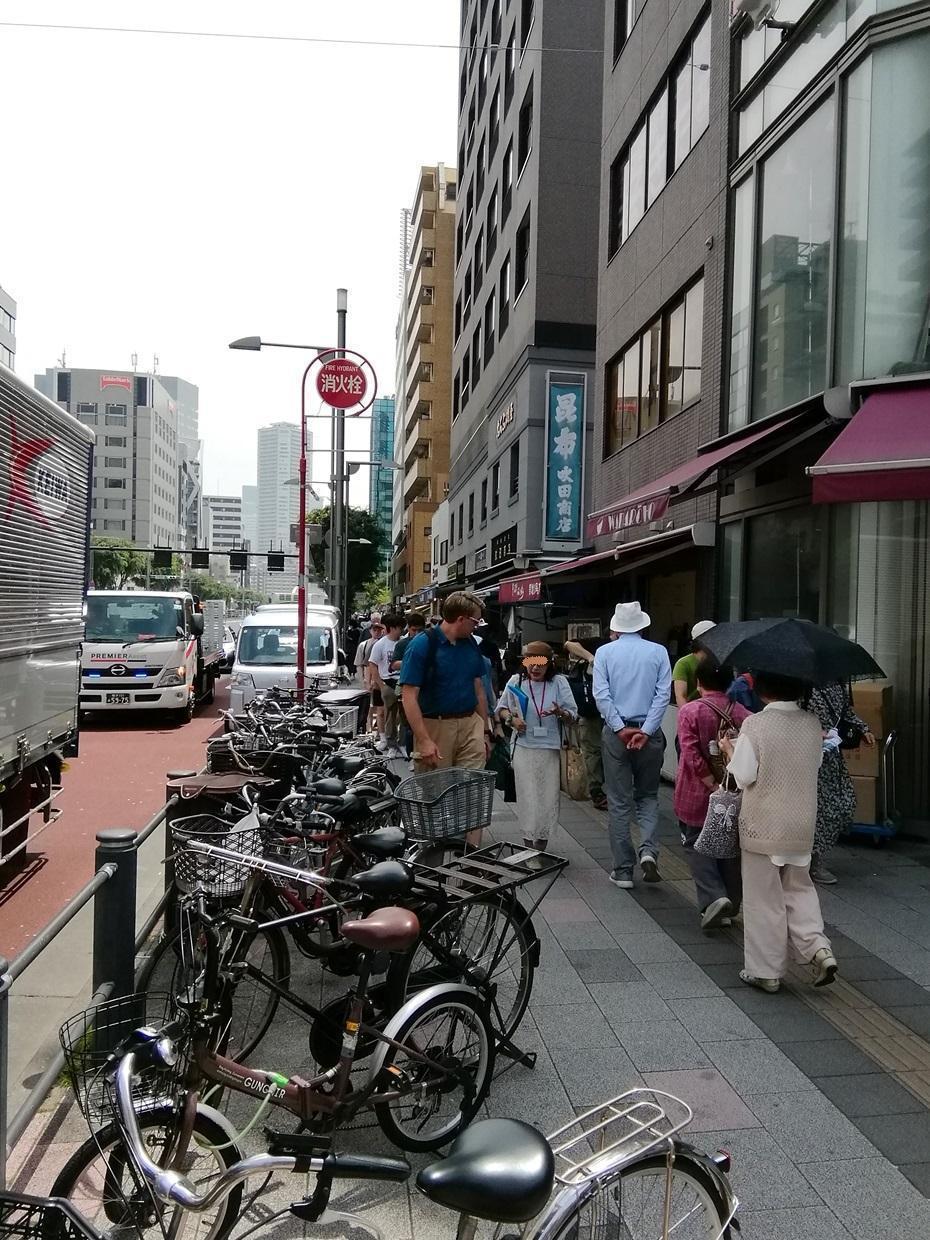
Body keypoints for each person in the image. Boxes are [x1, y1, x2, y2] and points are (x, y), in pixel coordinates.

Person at [720, 671, 838, 994]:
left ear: (760, 689)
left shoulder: (755, 725)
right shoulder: (812, 724)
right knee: (799, 888)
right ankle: (818, 948)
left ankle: (766, 971)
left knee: (764, 897)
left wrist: (729, 751)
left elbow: (743, 775)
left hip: (763, 824)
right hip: (801, 823)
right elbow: (811, 765)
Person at [593, 601, 672, 889]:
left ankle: (623, 870)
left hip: (617, 733)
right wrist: (647, 730)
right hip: (650, 735)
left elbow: (601, 695)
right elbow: (663, 695)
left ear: (615, 627)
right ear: (642, 625)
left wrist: (620, 728)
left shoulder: (604, 653)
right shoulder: (659, 652)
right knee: (648, 796)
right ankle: (649, 851)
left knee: (618, 800)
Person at [674, 662, 749, 929]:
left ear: (698, 683)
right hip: (732, 791)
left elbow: (690, 753)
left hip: (695, 793)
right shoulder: (741, 713)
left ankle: (714, 898)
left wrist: (709, 783)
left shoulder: (690, 711)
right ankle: (731, 901)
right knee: (728, 845)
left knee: (696, 842)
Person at [399, 591, 491, 774]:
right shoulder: (422, 644)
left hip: (470, 723)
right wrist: (424, 739)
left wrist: (485, 732)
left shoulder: (471, 643)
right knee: (436, 791)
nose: (477, 626)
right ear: (461, 619)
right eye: (475, 621)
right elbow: (408, 696)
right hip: (435, 724)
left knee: (471, 788)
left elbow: (478, 688)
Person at [497, 642, 577, 850]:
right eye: (530, 663)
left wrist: (560, 712)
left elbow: (573, 715)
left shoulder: (559, 682)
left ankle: (541, 845)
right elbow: (502, 709)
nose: (535, 668)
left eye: (540, 663)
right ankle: (528, 846)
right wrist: (512, 720)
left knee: (548, 798)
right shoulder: (516, 681)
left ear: (549, 664)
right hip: (523, 747)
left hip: (550, 748)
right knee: (527, 796)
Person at [802, 681, 876, 885]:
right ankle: (813, 862)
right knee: (818, 809)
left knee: (844, 803)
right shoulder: (803, 685)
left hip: (831, 756)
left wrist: (863, 729)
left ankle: (813, 858)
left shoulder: (838, 686)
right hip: (807, 756)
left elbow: (846, 714)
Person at [563, 634, 613, 810]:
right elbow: (569, 644)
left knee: (611, 752)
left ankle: (612, 790)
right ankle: (597, 791)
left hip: (615, 711)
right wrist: (591, 658)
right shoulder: (600, 644)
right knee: (593, 751)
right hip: (591, 709)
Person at [368, 612, 405, 754]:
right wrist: (380, 684)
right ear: (392, 628)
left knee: (403, 716)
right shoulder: (380, 644)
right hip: (387, 682)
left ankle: (402, 744)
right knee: (389, 715)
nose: (401, 630)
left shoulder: (403, 642)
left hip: (402, 682)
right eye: (399, 627)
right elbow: (372, 664)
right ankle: (391, 744)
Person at [672, 621, 716, 706]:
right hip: (692, 712)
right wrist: (685, 715)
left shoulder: (716, 662)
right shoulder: (683, 663)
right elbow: (681, 696)